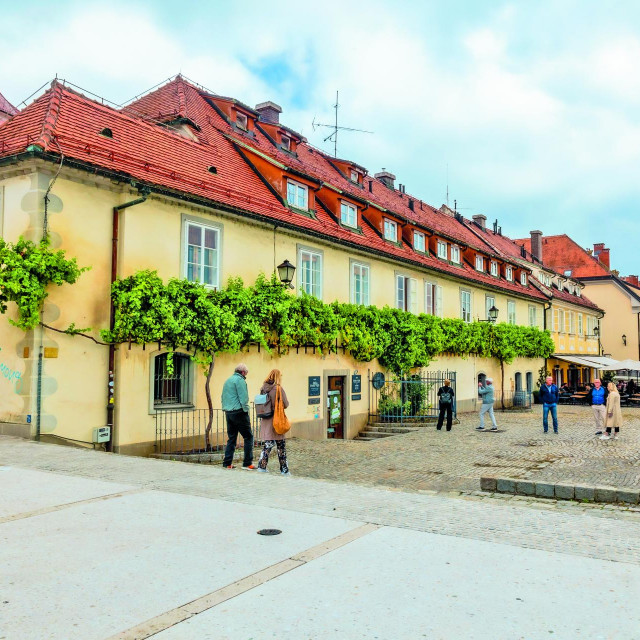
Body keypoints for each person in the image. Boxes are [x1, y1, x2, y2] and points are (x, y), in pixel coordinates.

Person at [257, 369, 291, 476]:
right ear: (278, 377)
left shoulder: (263, 388)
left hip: (266, 420)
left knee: (268, 444)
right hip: (276, 420)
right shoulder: (278, 389)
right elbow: (285, 404)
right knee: (281, 446)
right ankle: (284, 470)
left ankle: (261, 466)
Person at [221, 363, 255, 469]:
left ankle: (227, 463)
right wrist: (246, 410)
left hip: (228, 412)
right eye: (246, 374)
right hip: (239, 412)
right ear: (243, 372)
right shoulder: (240, 381)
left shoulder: (228, 380)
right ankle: (247, 463)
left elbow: (223, 396)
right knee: (248, 437)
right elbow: (244, 398)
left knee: (232, 438)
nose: (246, 376)